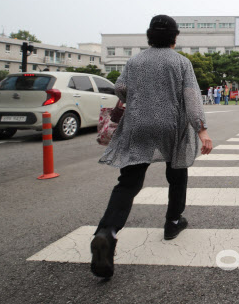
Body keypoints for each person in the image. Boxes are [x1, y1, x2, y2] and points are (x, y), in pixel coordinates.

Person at [90, 15, 213, 279]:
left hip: (138, 124)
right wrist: (202, 130)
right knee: (177, 171)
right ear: (174, 37)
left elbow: (121, 87)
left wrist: (139, 95)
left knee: (129, 181)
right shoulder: (181, 62)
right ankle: (172, 221)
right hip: (172, 125)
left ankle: (106, 231)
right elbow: (191, 99)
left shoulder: (135, 61)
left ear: (149, 36)